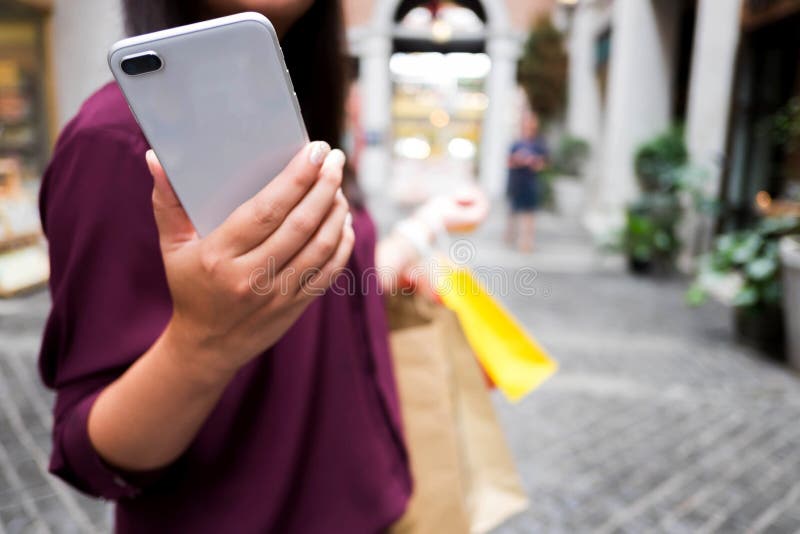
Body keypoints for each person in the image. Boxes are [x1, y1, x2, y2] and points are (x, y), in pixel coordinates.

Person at [37, 1, 487, 532]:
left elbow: (327, 289)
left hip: (378, 500)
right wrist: (203, 342)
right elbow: (90, 452)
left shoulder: (296, 105)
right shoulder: (116, 143)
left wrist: (421, 231)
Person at [505, 110, 547, 253]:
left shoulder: (539, 144)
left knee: (529, 214)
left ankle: (527, 241)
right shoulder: (516, 143)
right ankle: (511, 236)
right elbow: (509, 162)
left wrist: (532, 161)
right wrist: (518, 160)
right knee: (513, 212)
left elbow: (543, 164)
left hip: (530, 183)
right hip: (517, 182)